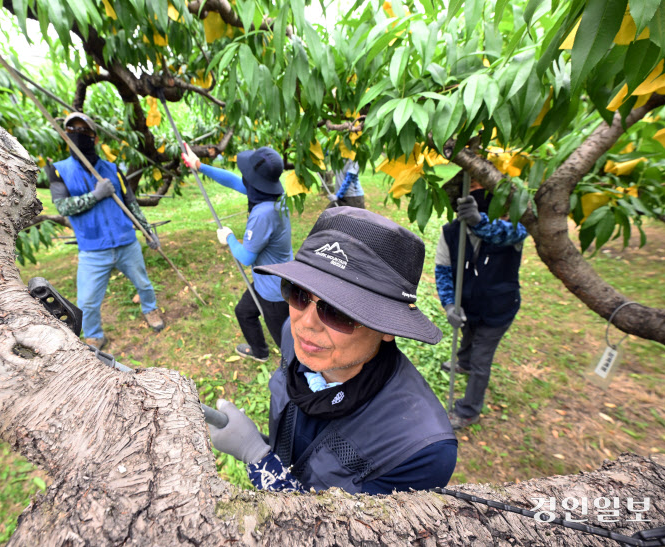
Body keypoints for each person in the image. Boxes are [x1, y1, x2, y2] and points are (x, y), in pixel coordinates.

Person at [207, 207, 457, 494]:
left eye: (339, 311)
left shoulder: (418, 450)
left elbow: (333, 532)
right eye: (298, 293)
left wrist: (256, 455)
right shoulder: (294, 336)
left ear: (390, 327)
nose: (306, 323)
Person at [46, 112, 164, 351]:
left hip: (126, 243)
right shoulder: (58, 171)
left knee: (144, 284)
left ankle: (150, 310)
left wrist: (147, 231)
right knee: (87, 301)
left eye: (84, 132)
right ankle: (93, 335)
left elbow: (131, 204)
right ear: (66, 138)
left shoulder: (112, 169)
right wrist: (95, 195)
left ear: (94, 138)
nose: (78, 136)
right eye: (72, 132)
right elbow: (63, 207)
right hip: (92, 249)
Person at [181, 143, 293, 363]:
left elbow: (245, 257)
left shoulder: (263, 214)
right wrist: (199, 165)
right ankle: (259, 351)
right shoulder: (271, 194)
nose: (244, 178)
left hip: (273, 290)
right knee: (244, 311)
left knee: (286, 342)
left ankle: (298, 374)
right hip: (267, 279)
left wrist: (229, 238)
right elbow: (233, 180)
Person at [434, 182, 528, 429]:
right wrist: (450, 305)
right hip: (469, 304)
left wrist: (480, 222)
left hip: (499, 308)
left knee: (481, 358)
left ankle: (469, 410)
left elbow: (512, 232)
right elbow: (443, 271)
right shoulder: (450, 232)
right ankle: (462, 363)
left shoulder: (511, 230)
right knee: (467, 333)